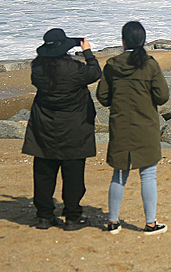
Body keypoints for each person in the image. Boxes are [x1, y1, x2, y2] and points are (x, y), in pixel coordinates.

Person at [22, 28, 101, 231]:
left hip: (44, 126)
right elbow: (95, 72)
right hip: (74, 128)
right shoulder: (74, 69)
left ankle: (44, 216)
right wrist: (87, 52)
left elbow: (42, 70)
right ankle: (73, 217)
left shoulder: (37, 68)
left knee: (44, 174)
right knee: (73, 175)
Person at [97, 21, 170, 235]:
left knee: (119, 174)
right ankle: (150, 223)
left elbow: (102, 96)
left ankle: (112, 222)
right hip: (146, 126)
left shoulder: (112, 64)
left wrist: (118, 99)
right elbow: (162, 96)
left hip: (120, 125)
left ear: (123, 41)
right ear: (143, 40)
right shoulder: (150, 65)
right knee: (148, 175)